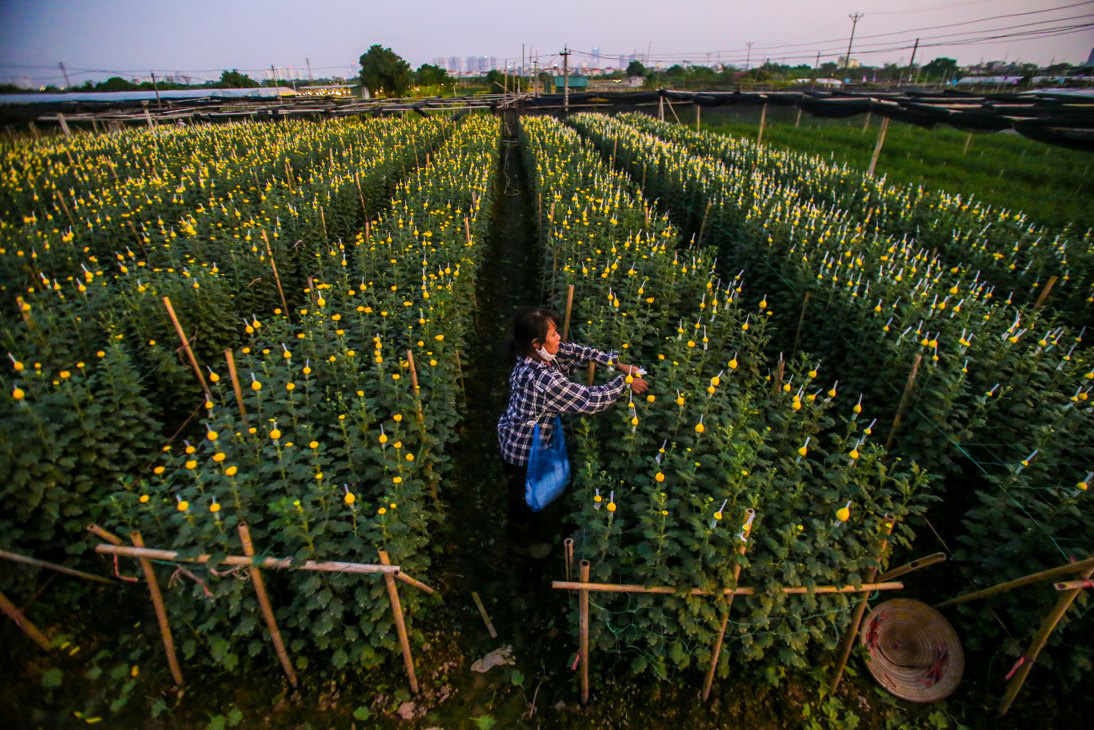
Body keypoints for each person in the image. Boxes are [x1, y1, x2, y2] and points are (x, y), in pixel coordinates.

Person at [497, 306, 648, 528]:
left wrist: (616, 364)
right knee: (526, 501)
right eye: (553, 335)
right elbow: (588, 400)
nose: (559, 338)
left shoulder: (534, 356)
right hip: (523, 450)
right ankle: (522, 541)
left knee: (525, 490)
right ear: (536, 344)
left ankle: (518, 497)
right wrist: (625, 383)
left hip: (516, 431)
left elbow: (578, 352)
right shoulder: (542, 379)